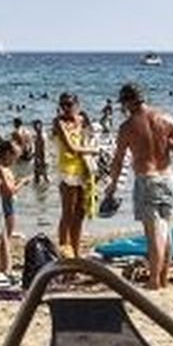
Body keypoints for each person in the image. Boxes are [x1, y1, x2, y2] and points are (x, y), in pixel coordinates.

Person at [104, 82, 173, 290]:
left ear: (127, 102)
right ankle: (164, 278)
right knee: (166, 230)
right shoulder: (166, 118)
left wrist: (112, 186)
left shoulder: (127, 127)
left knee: (153, 234)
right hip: (168, 177)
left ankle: (153, 281)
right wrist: (165, 144)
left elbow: (118, 160)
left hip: (147, 179)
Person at [51, 93, 97, 257]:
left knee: (80, 213)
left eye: (69, 104)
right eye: (63, 105)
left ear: (77, 104)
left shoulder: (82, 119)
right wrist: (94, 151)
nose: (66, 108)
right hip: (68, 171)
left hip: (84, 169)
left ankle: (76, 253)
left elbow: (90, 138)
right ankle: (65, 255)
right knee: (68, 213)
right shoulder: (58, 122)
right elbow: (71, 148)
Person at [0, 141, 28, 282]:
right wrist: (22, 183)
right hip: (5, 204)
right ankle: (5, 269)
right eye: (15, 157)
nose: (15, 161)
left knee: (7, 236)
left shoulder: (5, 169)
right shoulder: (1, 169)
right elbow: (9, 190)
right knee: (6, 237)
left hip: (8, 203)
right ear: (8, 154)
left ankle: (7, 268)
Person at [30, 116, 49, 185]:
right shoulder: (40, 135)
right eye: (34, 126)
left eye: (35, 126)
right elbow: (38, 148)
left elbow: (42, 149)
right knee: (38, 176)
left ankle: (45, 192)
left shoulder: (41, 136)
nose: (34, 128)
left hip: (40, 158)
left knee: (44, 176)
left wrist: (41, 160)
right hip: (39, 158)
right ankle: (40, 193)